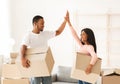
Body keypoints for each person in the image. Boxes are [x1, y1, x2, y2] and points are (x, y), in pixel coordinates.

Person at [20, 12, 67, 84]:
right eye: (41, 23)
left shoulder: (45, 34)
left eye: (43, 23)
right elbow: (23, 46)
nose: (43, 25)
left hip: (45, 65)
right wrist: (22, 58)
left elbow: (58, 32)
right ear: (35, 24)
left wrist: (65, 21)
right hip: (35, 66)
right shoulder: (28, 35)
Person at [65, 11, 98, 84]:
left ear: (88, 36)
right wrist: (69, 22)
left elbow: (95, 56)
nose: (81, 36)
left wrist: (90, 66)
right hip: (80, 73)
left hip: (86, 73)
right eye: (81, 34)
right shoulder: (82, 46)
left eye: (83, 34)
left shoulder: (90, 47)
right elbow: (74, 35)